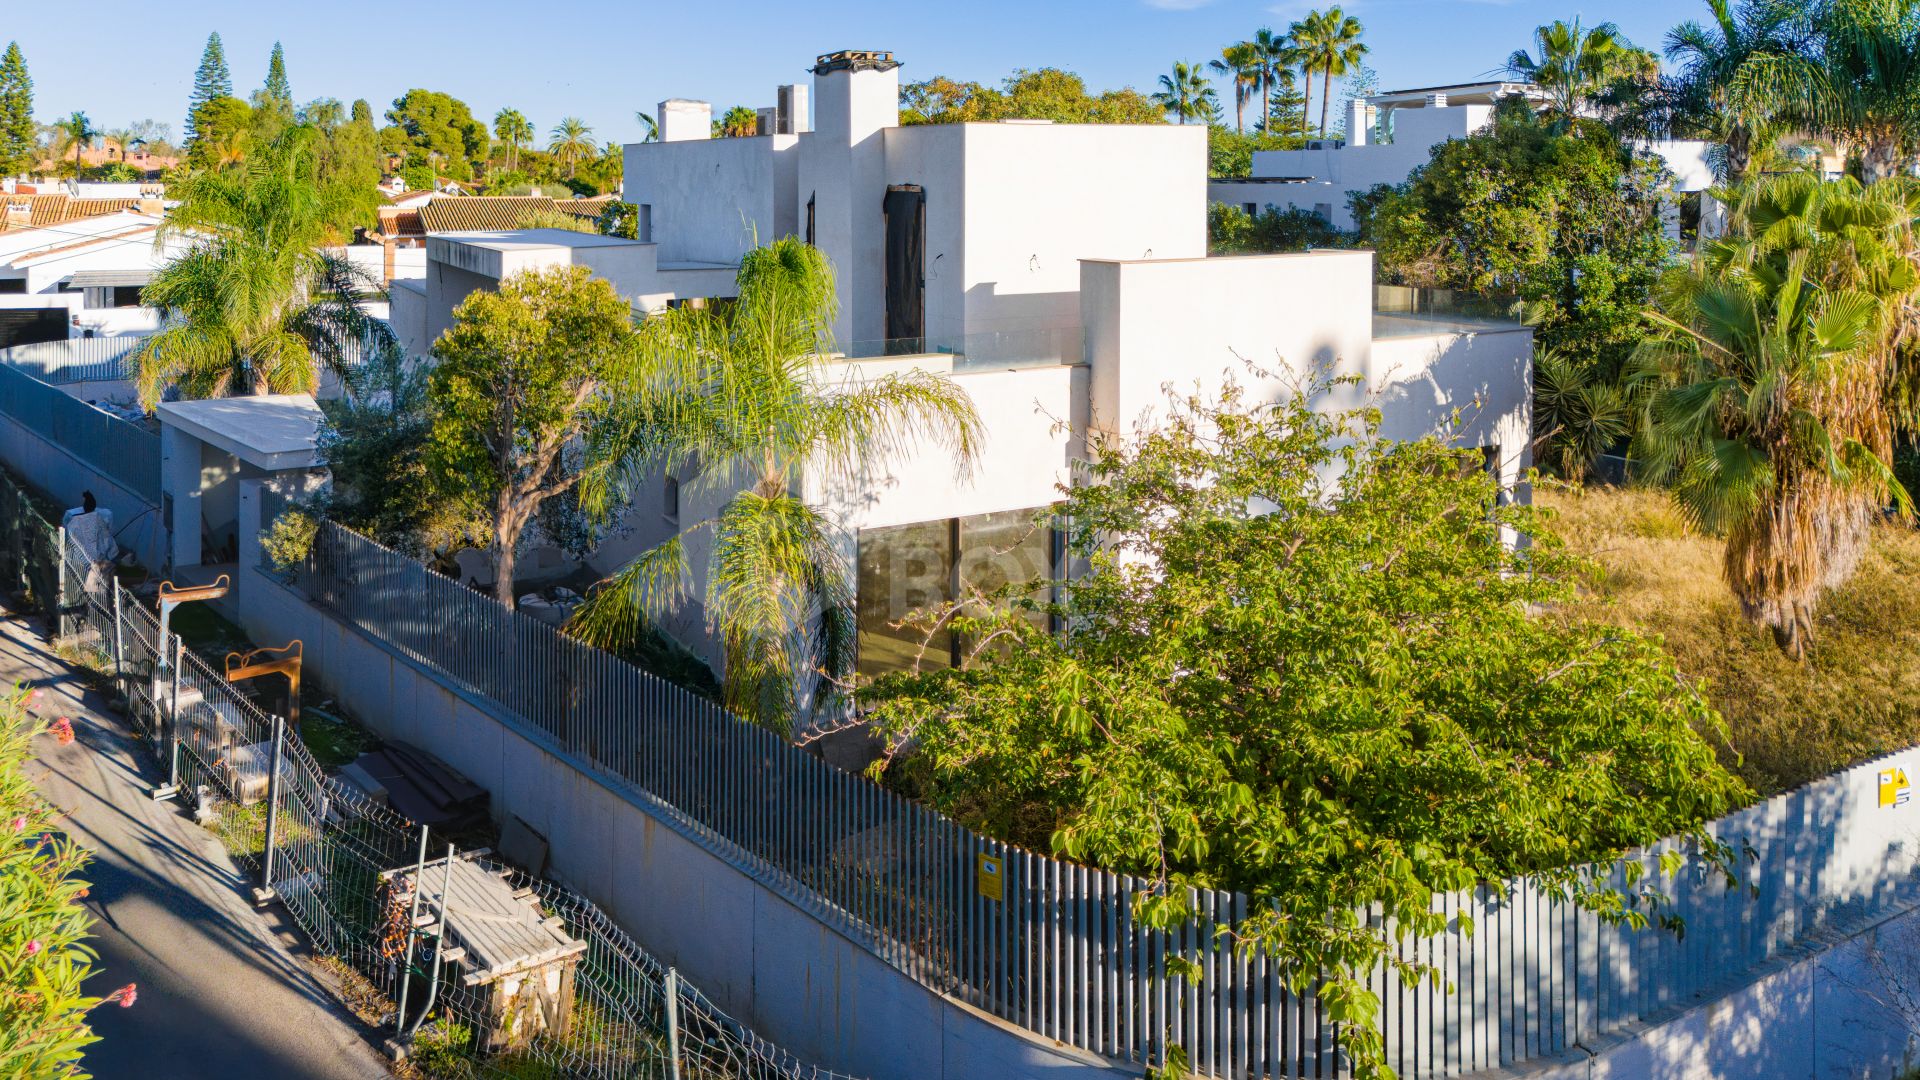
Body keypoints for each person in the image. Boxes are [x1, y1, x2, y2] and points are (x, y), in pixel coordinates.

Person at [61, 491, 116, 596]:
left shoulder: (74, 518)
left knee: (84, 585)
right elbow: (108, 539)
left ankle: (89, 598)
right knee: (97, 588)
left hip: (83, 557)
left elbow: (67, 535)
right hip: (99, 559)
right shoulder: (104, 516)